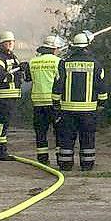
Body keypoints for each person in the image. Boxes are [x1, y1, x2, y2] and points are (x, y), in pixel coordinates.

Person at [51, 31, 107, 171]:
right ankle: (87, 165)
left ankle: (65, 164)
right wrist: (101, 104)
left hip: (67, 110)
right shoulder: (96, 64)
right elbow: (101, 87)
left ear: (73, 47)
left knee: (66, 139)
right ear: (87, 46)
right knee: (87, 138)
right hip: (88, 111)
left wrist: (56, 105)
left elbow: (57, 86)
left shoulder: (64, 64)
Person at [28, 35, 66, 165]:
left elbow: (28, 79)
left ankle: (42, 159)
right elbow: (62, 82)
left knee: (41, 133)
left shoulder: (32, 61)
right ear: (54, 48)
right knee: (60, 132)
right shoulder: (58, 62)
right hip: (54, 103)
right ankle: (61, 159)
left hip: (38, 103)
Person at [0, 30, 23, 161]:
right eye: (7, 42)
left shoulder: (12, 57)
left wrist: (22, 67)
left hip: (10, 96)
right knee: (2, 123)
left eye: (11, 42)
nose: (9, 44)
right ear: (1, 44)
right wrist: (17, 74)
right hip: (3, 97)